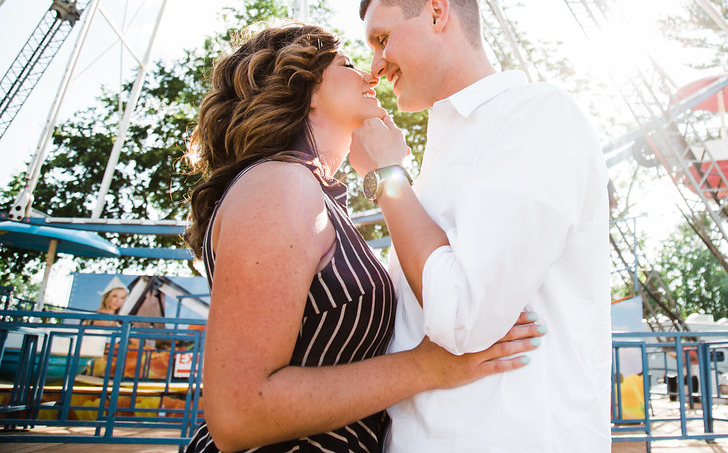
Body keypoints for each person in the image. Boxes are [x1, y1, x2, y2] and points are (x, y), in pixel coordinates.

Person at [180, 23, 542, 453]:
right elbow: (239, 412)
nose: (372, 75)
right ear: (305, 88)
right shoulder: (278, 184)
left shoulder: (313, 194)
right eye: (348, 64)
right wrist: (427, 368)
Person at [350, 0, 611, 452]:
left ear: (436, 14)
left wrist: (386, 177)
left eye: (382, 39)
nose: (375, 66)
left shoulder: (537, 116)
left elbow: (463, 314)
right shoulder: (439, 155)